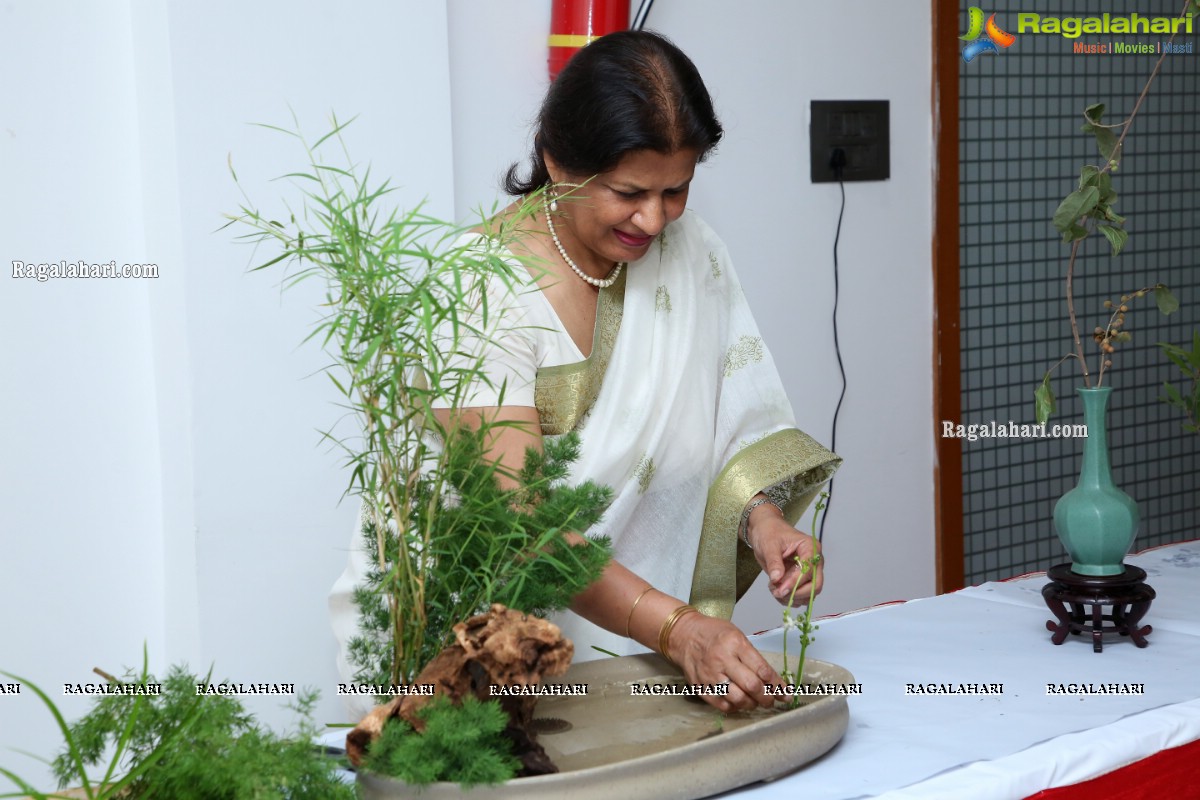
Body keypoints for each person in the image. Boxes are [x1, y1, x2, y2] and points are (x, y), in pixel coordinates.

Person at [332, 29, 839, 715]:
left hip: (630, 649)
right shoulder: (475, 290)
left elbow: (723, 426)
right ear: (558, 162)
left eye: (677, 190)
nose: (654, 220)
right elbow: (525, 522)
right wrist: (680, 628)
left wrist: (765, 522)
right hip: (467, 661)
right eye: (630, 191)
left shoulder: (691, 253)